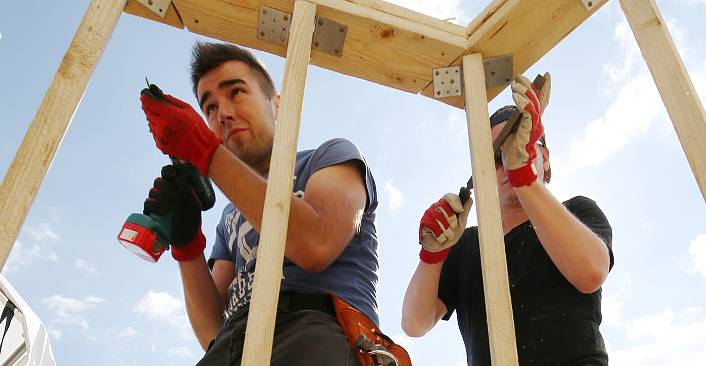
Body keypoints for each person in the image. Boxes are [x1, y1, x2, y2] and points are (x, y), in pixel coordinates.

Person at [139, 42, 379, 365]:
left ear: (277, 104)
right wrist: (187, 245)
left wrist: (207, 153)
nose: (221, 113)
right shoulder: (229, 215)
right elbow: (212, 330)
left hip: (318, 331)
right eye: (208, 108)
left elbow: (315, 244)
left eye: (236, 92)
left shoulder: (330, 157)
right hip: (236, 345)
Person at [401, 73, 614, 365]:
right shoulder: (468, 246)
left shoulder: (577, 212)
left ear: (546, 157)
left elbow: (591, 272)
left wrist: (524, 177)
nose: (507, 163)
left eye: (522, 146)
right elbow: (414, 323)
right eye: (497, 158)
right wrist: (432, 255)